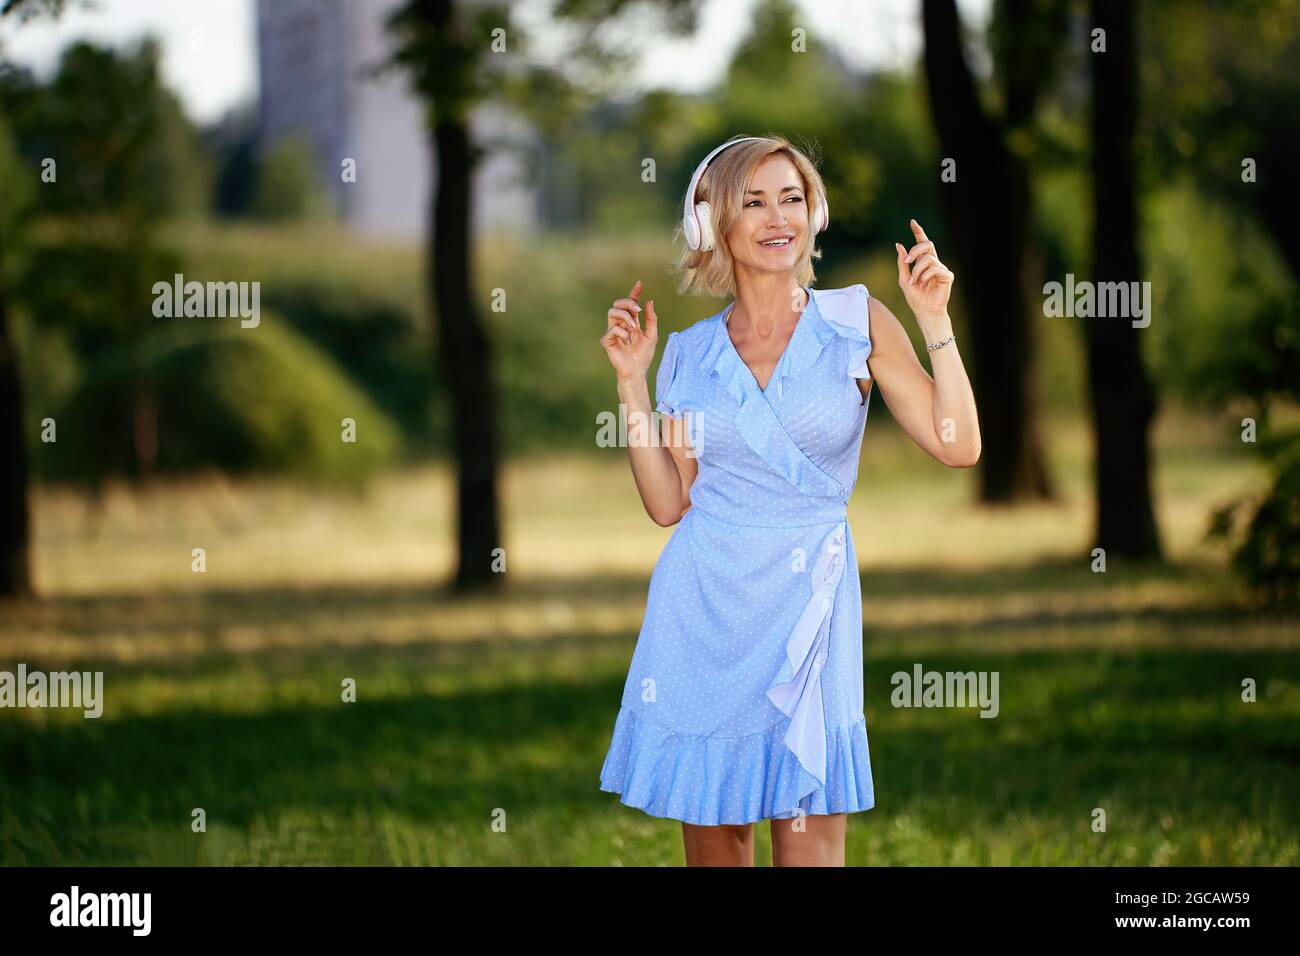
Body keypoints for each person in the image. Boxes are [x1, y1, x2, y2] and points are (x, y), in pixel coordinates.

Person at [597, 134, 981, 866]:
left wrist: (936, 322)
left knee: (809, 851)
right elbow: (668, 503)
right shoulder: (688, 353)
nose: (779, 218)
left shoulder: (857, 322)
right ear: (715, 224)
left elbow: (957, 443)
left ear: (816, 214)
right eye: (755, 201)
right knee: (718, 852)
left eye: (793, 198)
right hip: (703, 613)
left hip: (812, 609)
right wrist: (630, 384)